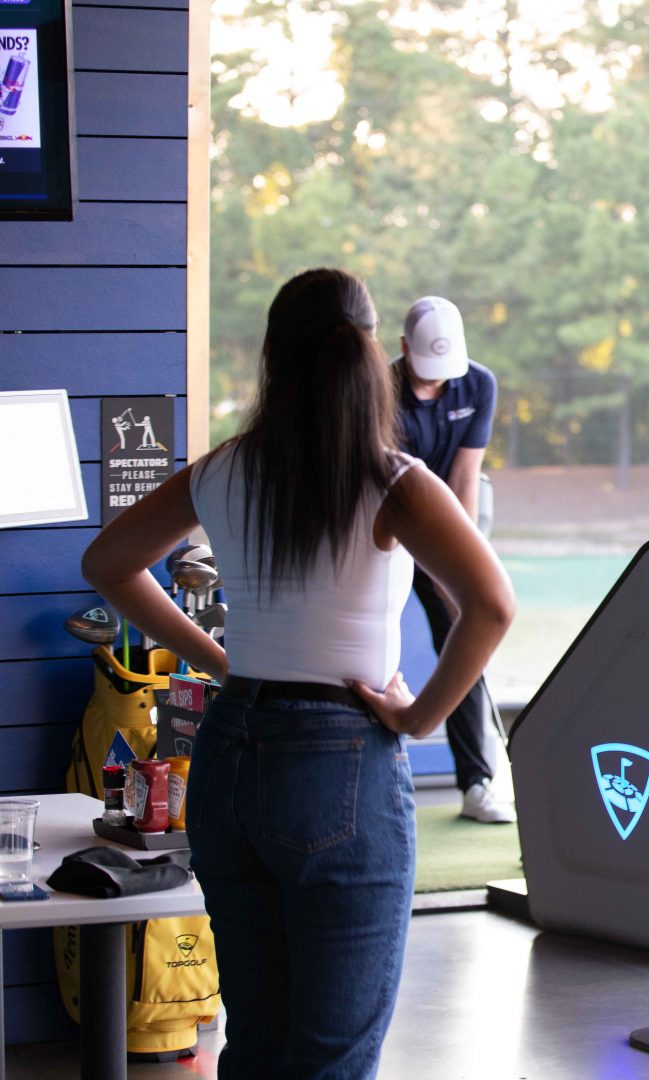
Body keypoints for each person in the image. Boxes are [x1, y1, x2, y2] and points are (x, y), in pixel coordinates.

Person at [82, 268, 516, 1078]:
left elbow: (108, 563)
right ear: (371, 355)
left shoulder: (222, 469)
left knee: (255, 1044)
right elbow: (491, 605)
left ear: (273, 359)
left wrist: (219, 660)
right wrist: (418, 718)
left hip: (231, 757)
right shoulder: (393, 479)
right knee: (330, 1059)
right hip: (340, 763)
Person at [393, 295, 515, 823]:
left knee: (465, 639)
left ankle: (477, 783)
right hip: (383, 526)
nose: (438, 379)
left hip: (447, 523)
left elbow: (465, 476)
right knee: (373, 641)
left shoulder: (478, 384)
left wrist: (457, 562)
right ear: (404, 348)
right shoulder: (378, 392)